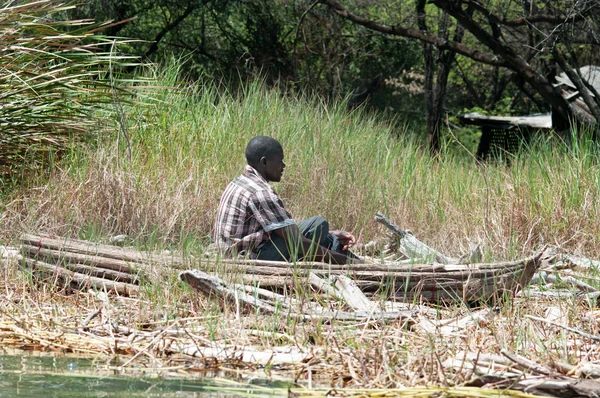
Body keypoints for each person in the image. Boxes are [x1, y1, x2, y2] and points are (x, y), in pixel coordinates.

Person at [214, 136, 362, 264]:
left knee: (321, 233)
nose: (283, 166)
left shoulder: (239, 182)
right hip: (249, 260)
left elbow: (278, 230)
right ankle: (352, 262)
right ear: (264, 162)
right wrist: (345, 262)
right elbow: (297, 242)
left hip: (233, 254)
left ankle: (341, 250)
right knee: (318, 224)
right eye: (280, 161)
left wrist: (332, 235)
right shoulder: (260, 192)